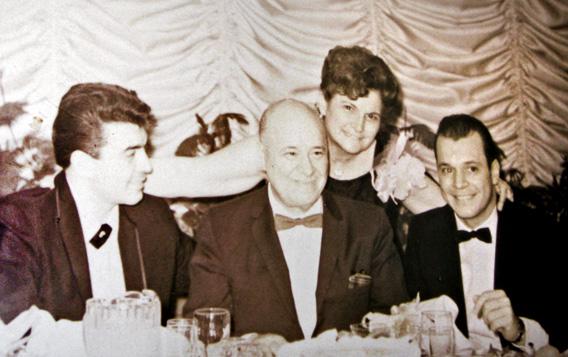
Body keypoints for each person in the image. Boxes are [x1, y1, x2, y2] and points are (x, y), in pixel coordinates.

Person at [144, 45, 511, 249]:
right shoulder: (286, 141)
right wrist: (114, 171)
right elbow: (191, 176)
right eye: (348, 108)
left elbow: (460, 209)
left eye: (371, 116)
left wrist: (493, 191)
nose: (359, 126)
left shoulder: (391, 161)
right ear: (324, 102)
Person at [184, 99, 408, 342]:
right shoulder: (222, 227)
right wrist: (249, 346)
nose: (308, 169)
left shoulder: (369, 224)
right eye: (291, 153)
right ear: (264, 155)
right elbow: (205, 334)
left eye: (317, 153)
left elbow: (395, 325)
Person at [0, 83, 191, 324]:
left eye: (145, 150)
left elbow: (208, 274)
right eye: (131, 153)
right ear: (83, 163)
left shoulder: (152, 216)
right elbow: (15, 332)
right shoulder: (21, 222)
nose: (147, 166)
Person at [404, 114, 565, 352]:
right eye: (447, 170)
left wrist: (518, 329)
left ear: (493, 171)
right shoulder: (424, 231)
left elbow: (561, 331)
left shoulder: (538, 232)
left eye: (471, 169)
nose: (459, 183)